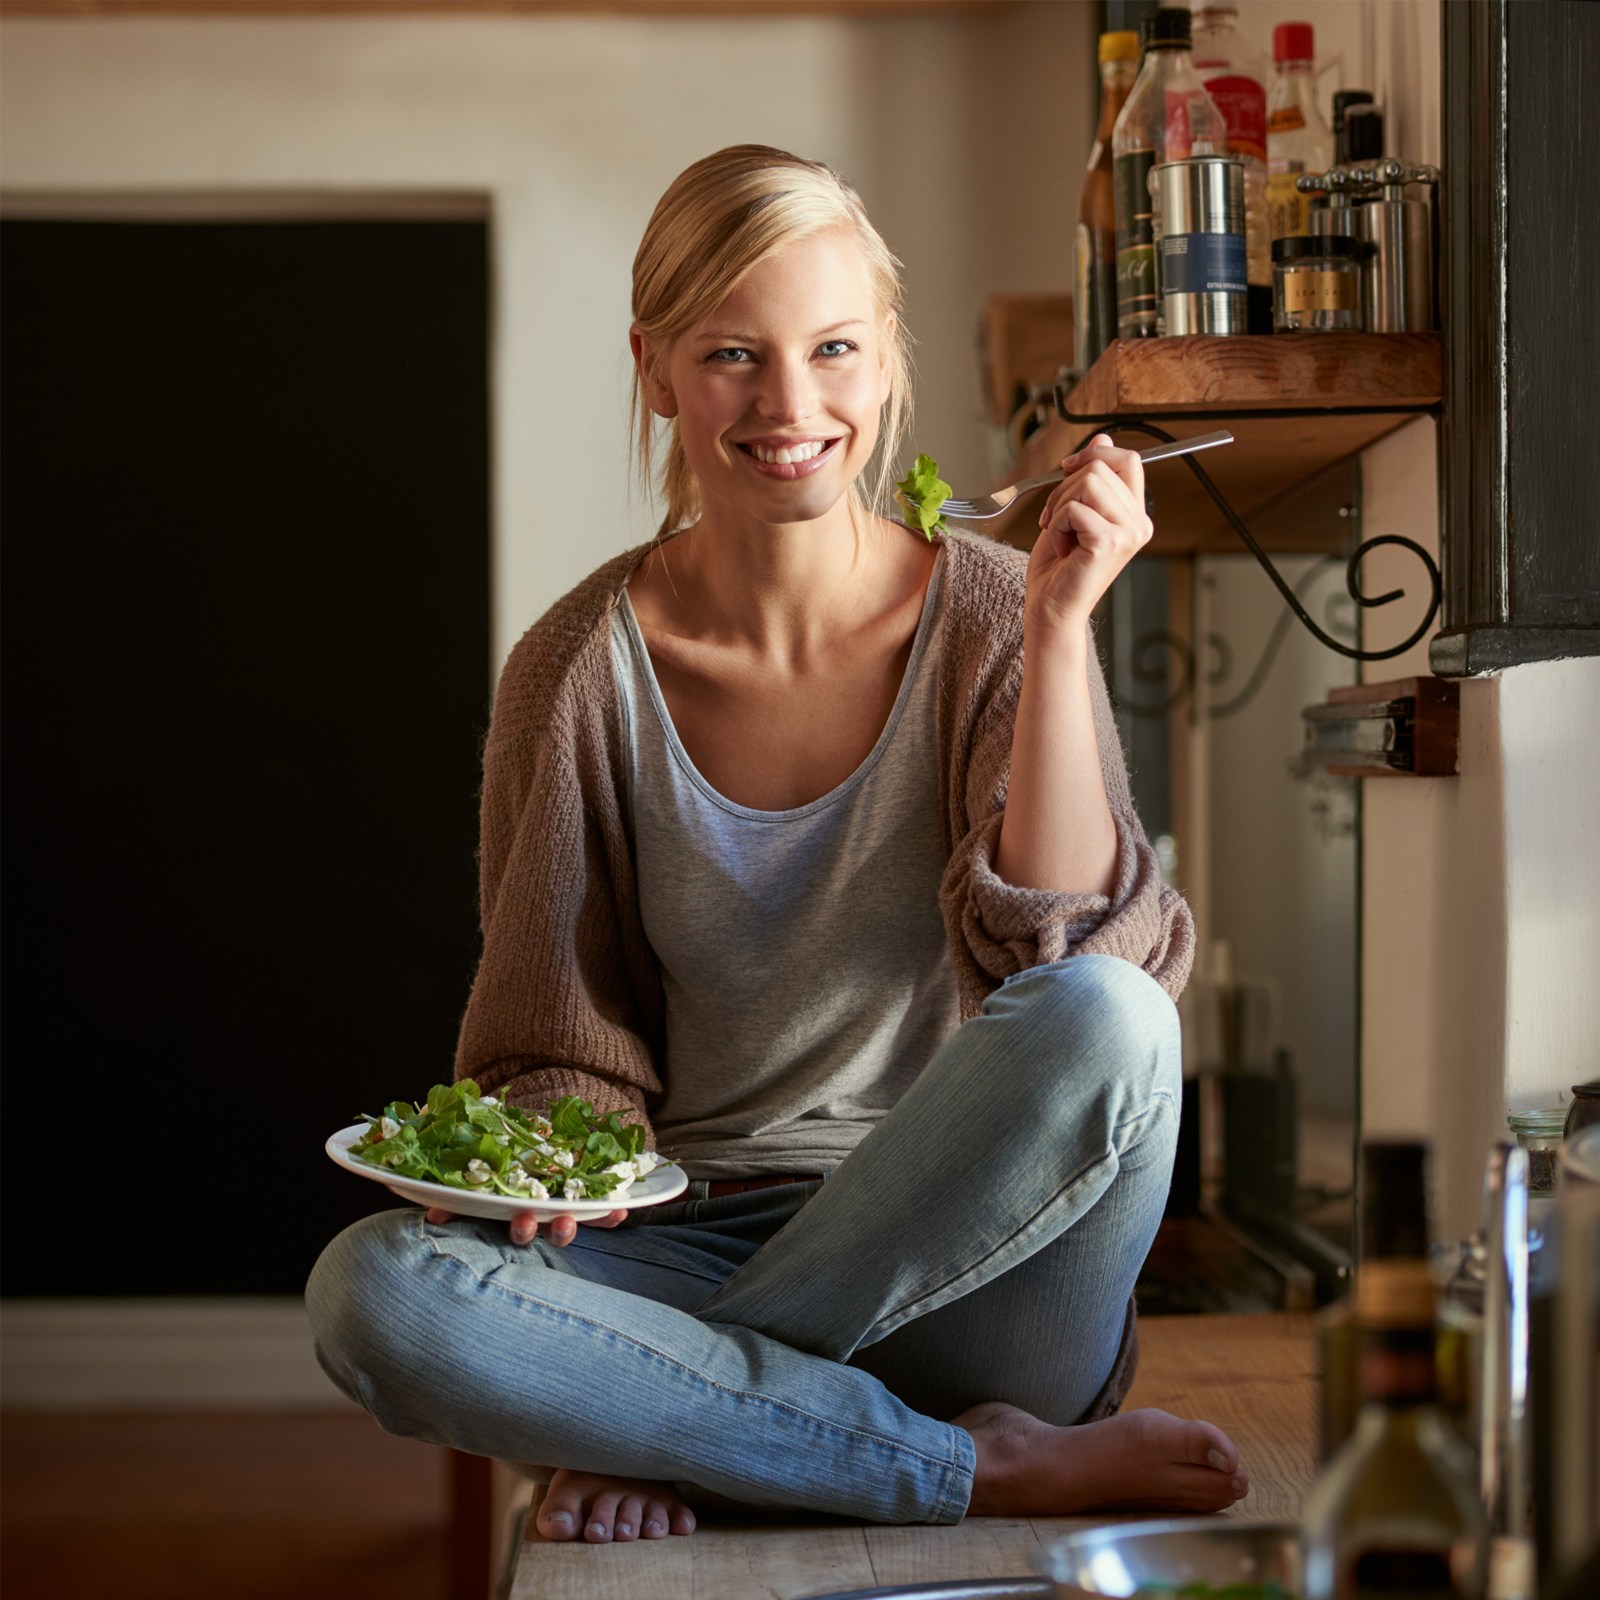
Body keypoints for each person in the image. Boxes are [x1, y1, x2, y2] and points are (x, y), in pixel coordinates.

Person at [308, 144, 1247, 1545]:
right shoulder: (574, 671)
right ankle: (962, 1468)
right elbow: (553, 1042)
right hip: (687, 1236)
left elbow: (1060, 952)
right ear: (655, 369)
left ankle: (689, 1429)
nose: (792, 404)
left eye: (834, 350)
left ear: (885, 364)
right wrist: (561, 1171)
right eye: (734, 355)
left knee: (1113, 1013)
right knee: (371, 1292)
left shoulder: (991, 609)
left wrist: (1060, 630)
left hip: (980, 1267)